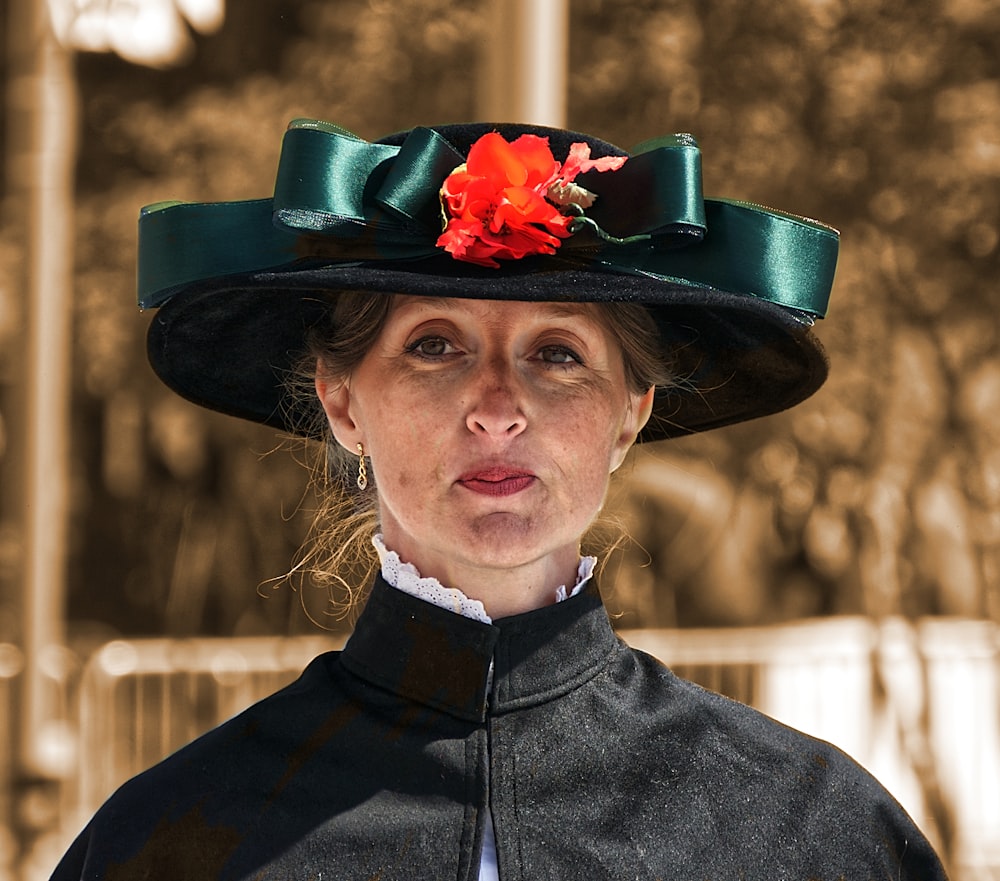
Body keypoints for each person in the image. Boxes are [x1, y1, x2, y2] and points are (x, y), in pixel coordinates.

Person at [51, 119, 949, 880]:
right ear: (341, 398)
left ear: (630, 412)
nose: (497, 409)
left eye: (558, 352)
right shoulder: (173, 842)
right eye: (435, 345)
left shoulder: (810, 832)